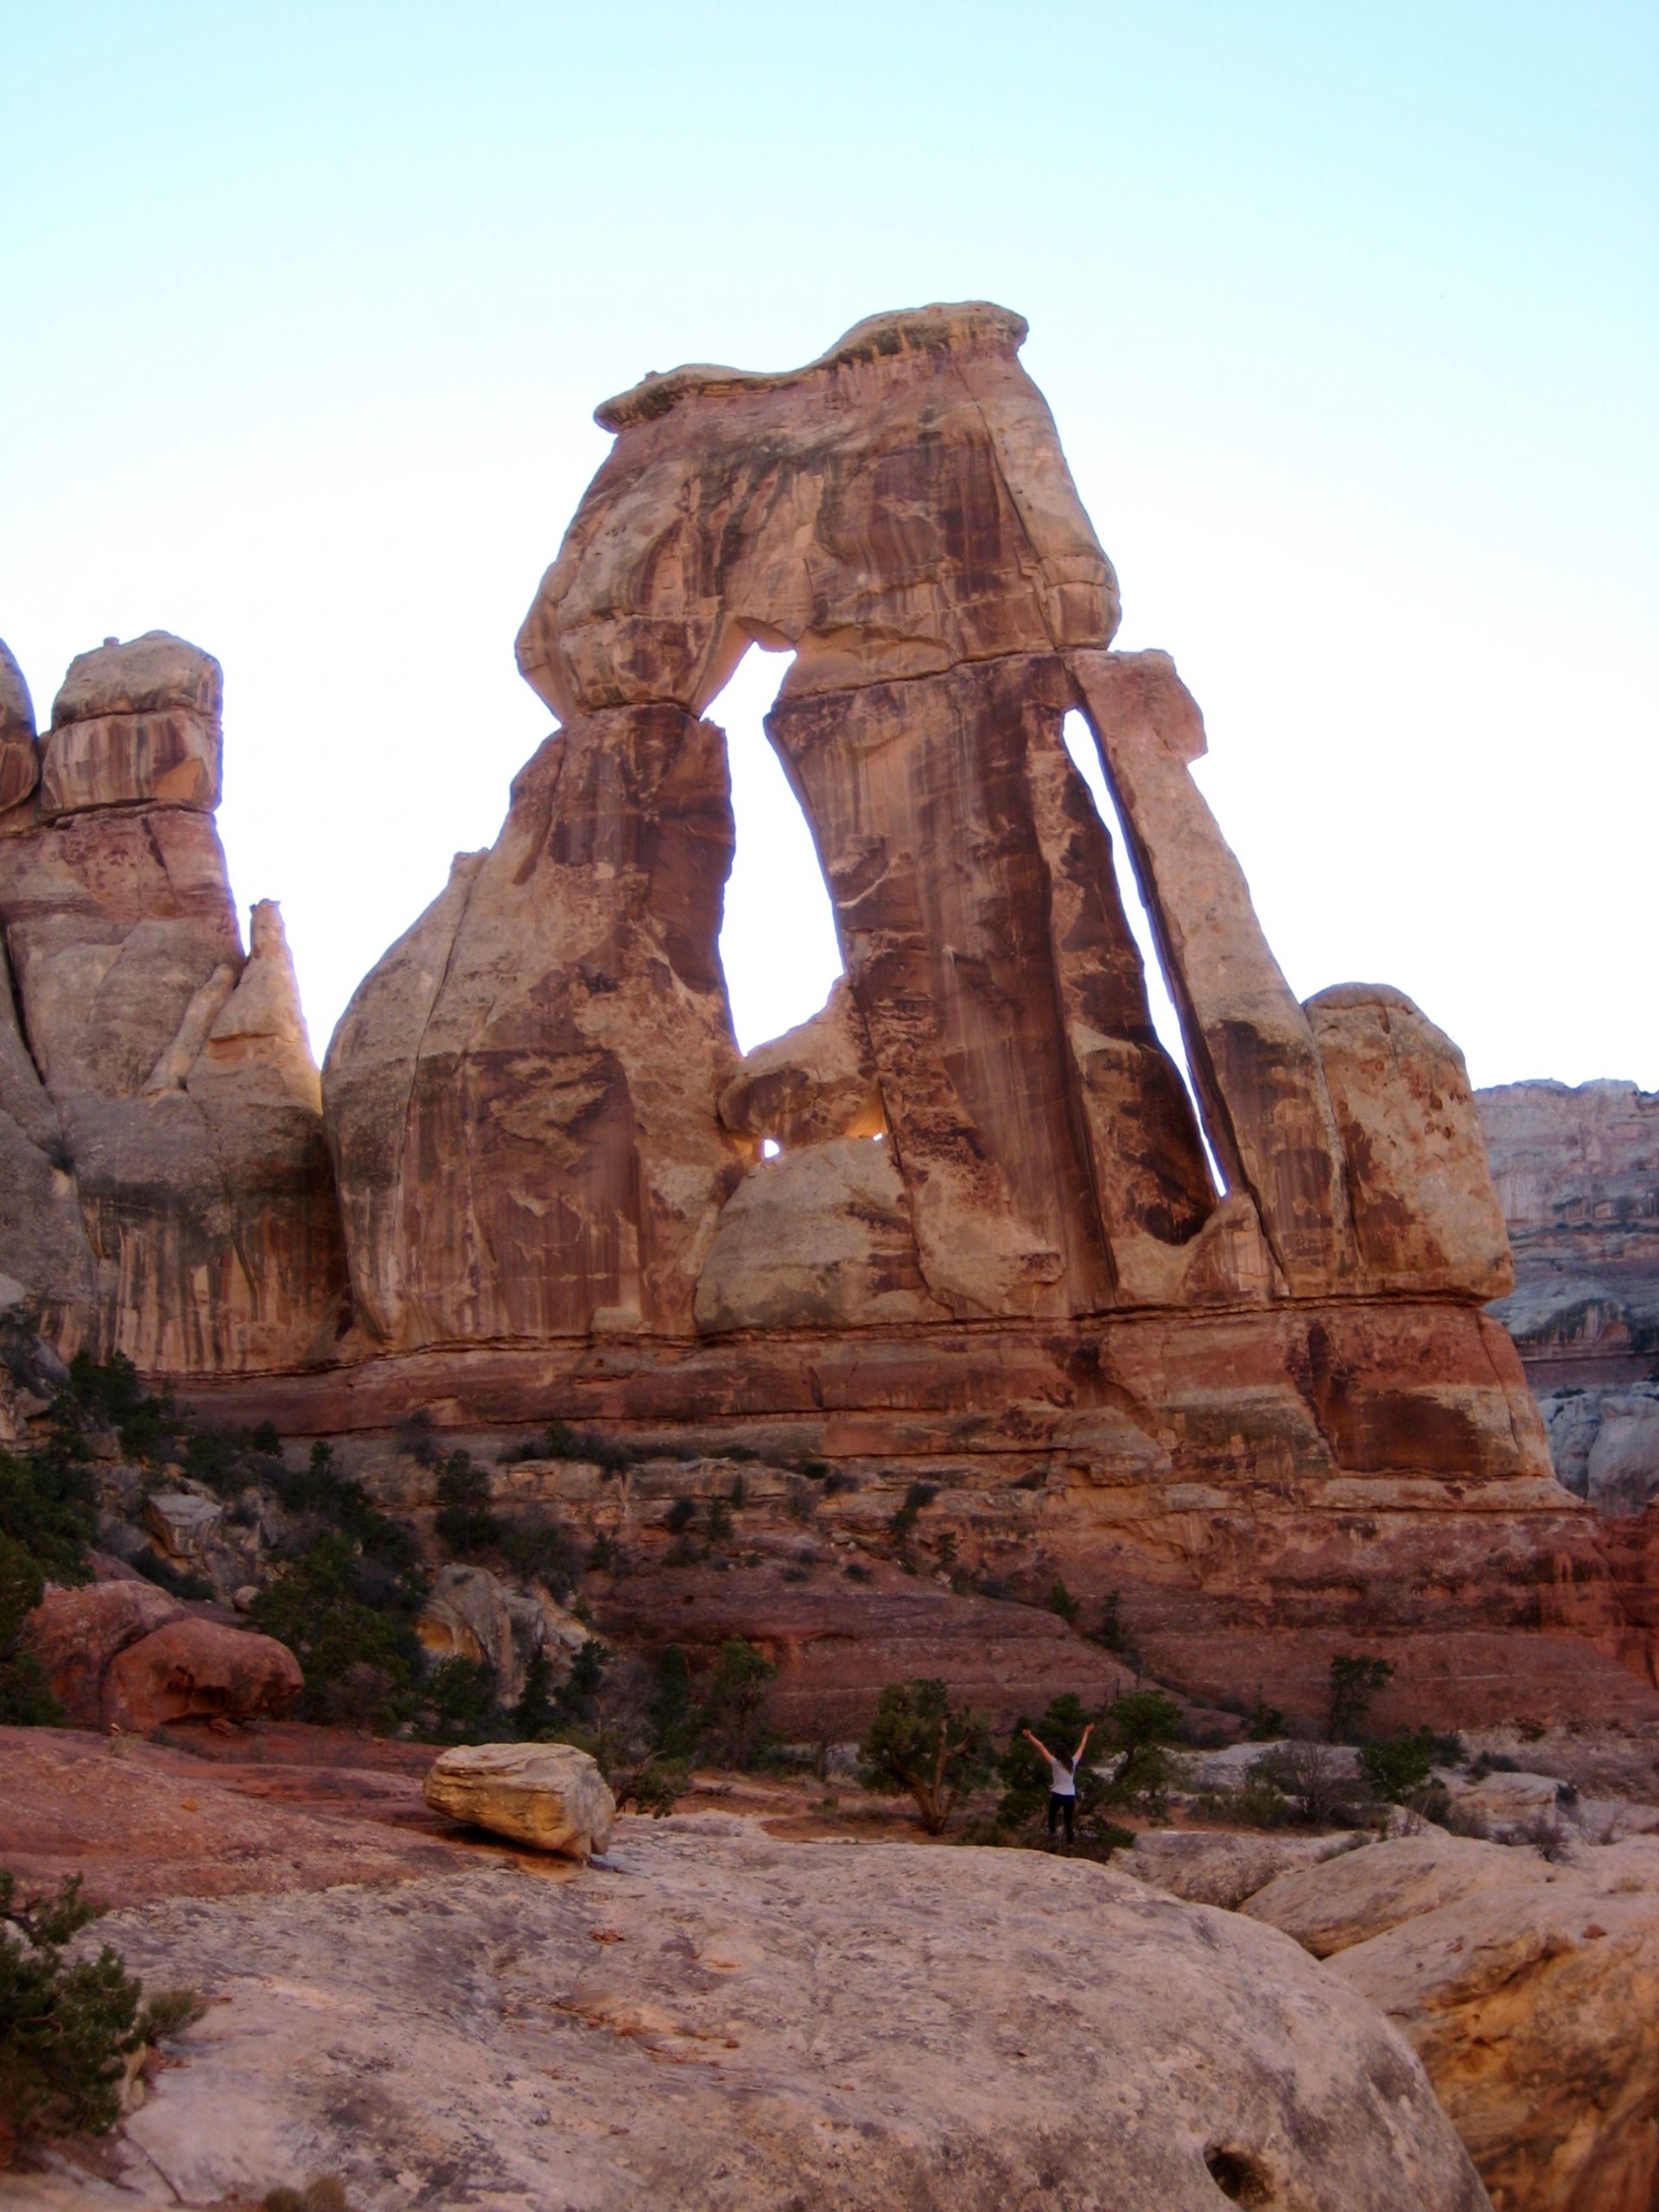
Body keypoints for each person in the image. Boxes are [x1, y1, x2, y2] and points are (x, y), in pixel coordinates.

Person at [1022, 1719, 1094, 1845]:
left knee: (1052, 1815)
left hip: (1057, 1794)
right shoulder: (1073, 1762)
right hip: (1070, 1796)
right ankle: (1070, 1846)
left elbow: (1041, 1746)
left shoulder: (1054, 1763)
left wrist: (1029, 1736)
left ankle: (1053, 1834)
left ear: (1057, 1753)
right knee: (1068, 1822)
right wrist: (1086, 1732)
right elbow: (1082, 1746)